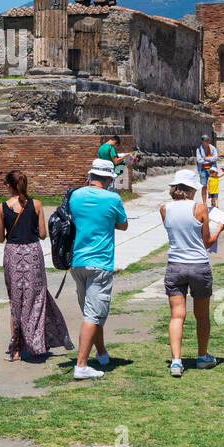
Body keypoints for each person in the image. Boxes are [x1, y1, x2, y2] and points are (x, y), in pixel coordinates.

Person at [0, 169, 72, 360]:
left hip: (13, 252)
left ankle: (15, 349)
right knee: (37, 297)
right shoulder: (36, 204)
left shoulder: (1, 208)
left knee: (16, 300)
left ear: (8, 186)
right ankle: (36, 341)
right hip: (33, 252)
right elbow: (42, 234)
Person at [160, 169, 224, 375]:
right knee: (202, 315)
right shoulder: (200, 208)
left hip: (175, 264)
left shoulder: (164, 209)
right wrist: (220, 229)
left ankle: (175, 361)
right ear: (191, 190)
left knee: (177, 316)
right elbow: (207, 242)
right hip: (198, 264)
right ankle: (202, 356)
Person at [68, 158, 128, 380]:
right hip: (100, 261)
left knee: (90, 312)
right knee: (94, 314)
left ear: (91, 176)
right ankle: (81, 365)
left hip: (77, 260)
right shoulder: (112, 199)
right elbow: (123, 224)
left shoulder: (75, 195)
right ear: (109, 179)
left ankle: (101, 353)